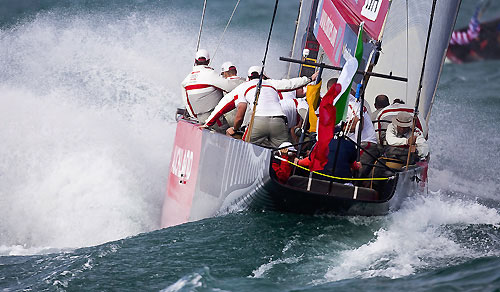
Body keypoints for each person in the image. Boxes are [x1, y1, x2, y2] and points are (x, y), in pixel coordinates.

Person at [204, 66, 318, 147]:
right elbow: (291, 83)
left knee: (245, 147)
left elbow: (223, 106)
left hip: (259, 122)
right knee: (285, 149)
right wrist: (309, 79)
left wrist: (207, 123)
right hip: (279, 120)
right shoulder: (271, 83)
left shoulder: (243, 87)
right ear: (263, 76)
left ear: (248, 77)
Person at [181, 49, 235, 128]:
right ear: (208, 61)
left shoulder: (185, 81)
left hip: (199, 119)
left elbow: (187, 104)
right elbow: (230, 88)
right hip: (215, 119)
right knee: (228, 132)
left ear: (195, 61)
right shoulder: (211, 74)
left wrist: (196, 117)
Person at [220, 61, 246, 126]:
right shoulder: (246, 82)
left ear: (225, 73)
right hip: (244, 119)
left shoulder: (223, 83)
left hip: (229, 120)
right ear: (236, 71)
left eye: (223, 74)